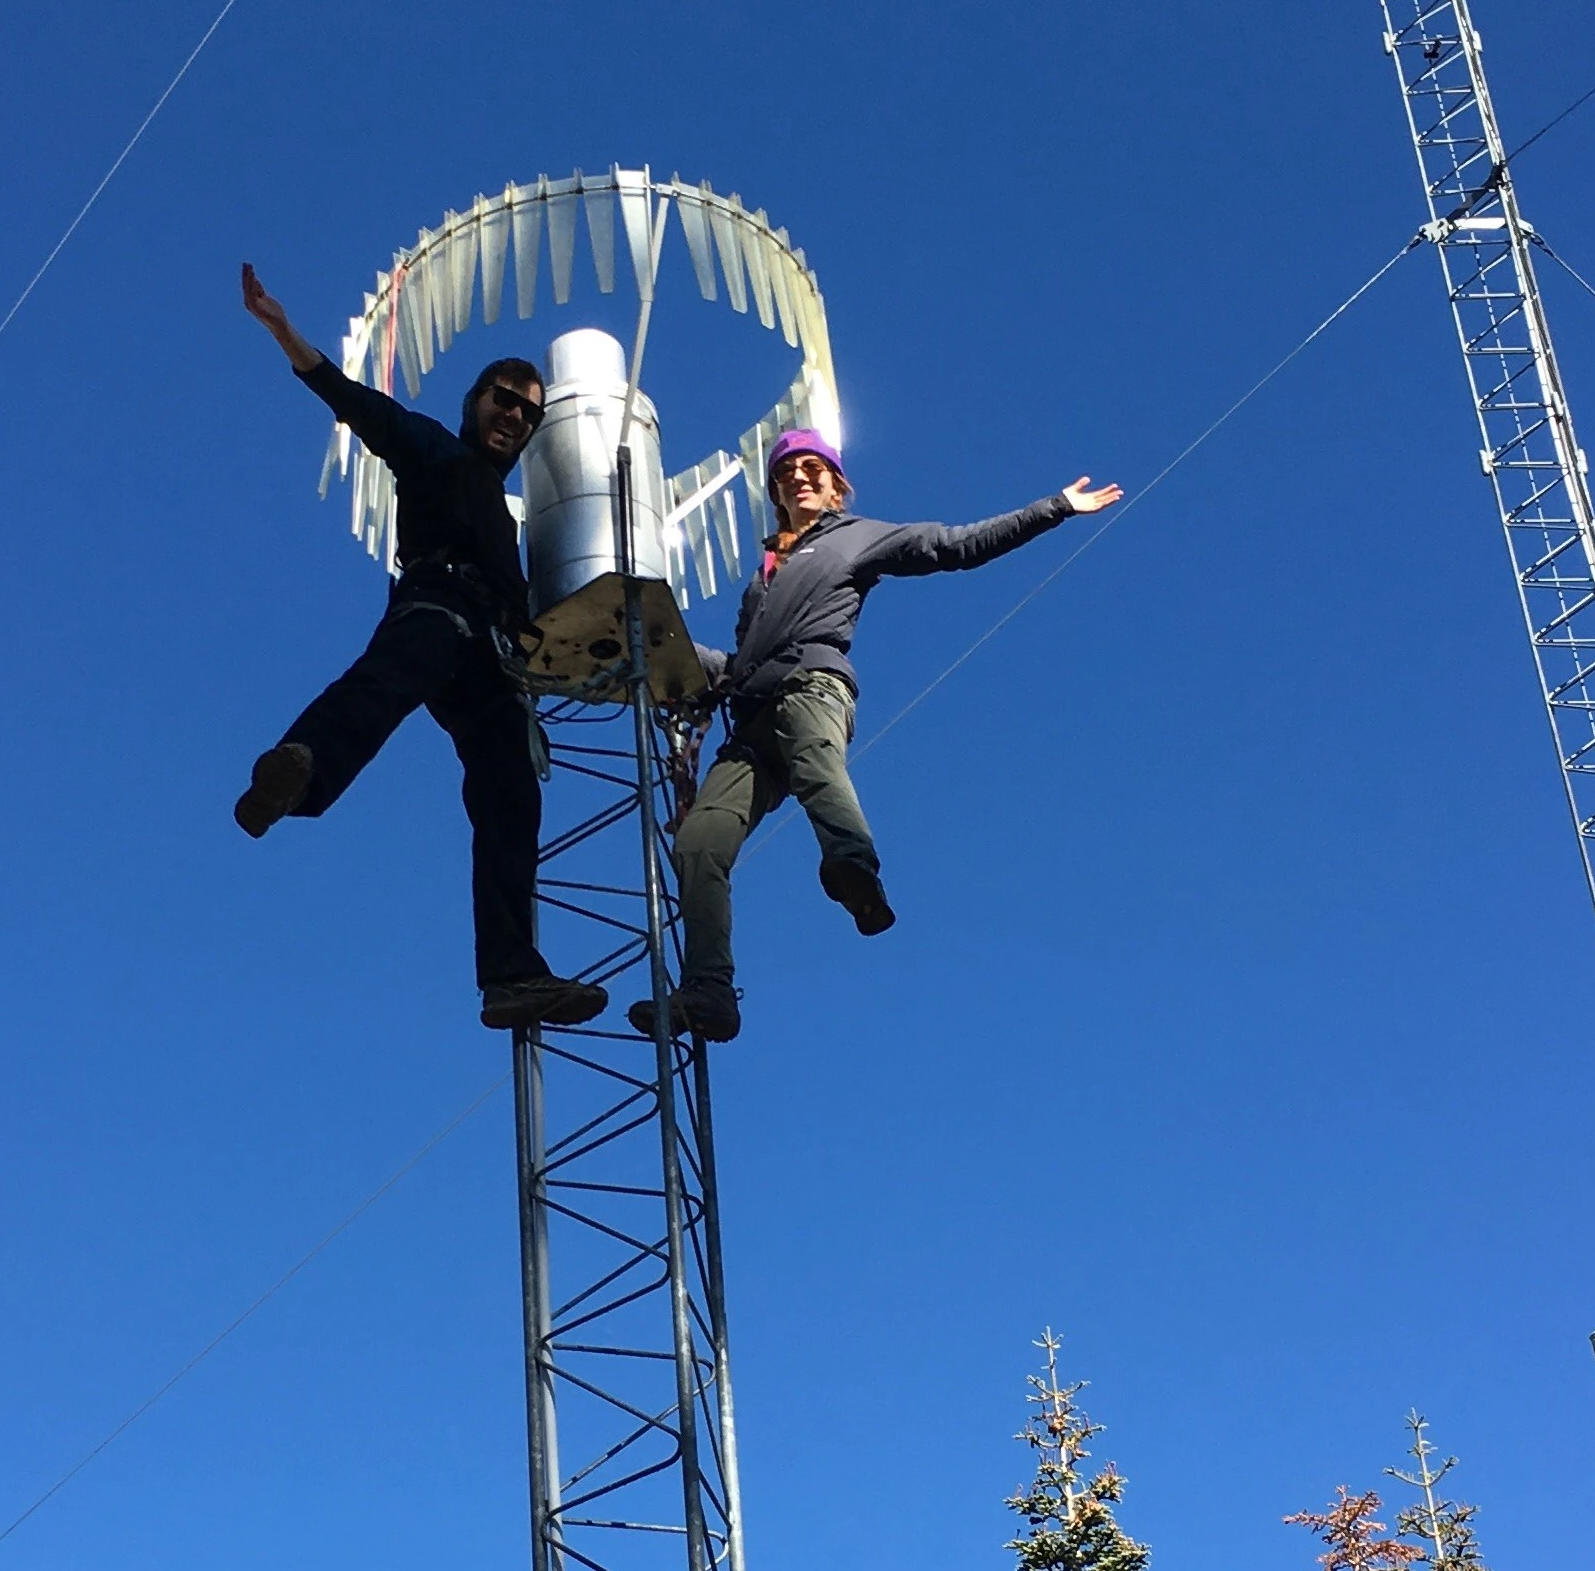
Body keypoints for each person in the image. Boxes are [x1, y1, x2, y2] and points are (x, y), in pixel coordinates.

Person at [640, 429, 1122, 1044]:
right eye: (788, 472)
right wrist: (664, 647)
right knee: (698, 845)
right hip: (752, 722)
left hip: (811, 687)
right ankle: (708, 990)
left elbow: (954, 545)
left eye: (815, 469)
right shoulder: (762, 578)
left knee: (816, 760)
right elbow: (737, 666)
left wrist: (1053, 508)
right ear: (777, 492)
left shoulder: (857, 537)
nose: (801, 478)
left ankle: (852, 867)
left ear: (837, 485)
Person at [234, 265, 609, 1032]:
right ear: (474, 403)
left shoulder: (512, 526)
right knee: (391, 677)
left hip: (494, 655)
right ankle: (299, 769)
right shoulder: (436, 451)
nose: (513, 415)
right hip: (438, 604)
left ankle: (511, 975)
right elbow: (359, 406)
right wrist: (284, 332)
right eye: (502, 399)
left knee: (511, 791)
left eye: (528, 412)